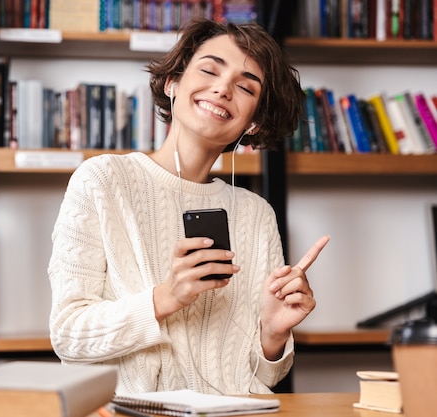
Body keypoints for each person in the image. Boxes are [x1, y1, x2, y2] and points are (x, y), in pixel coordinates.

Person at [48, 19, 329, 395]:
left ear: (255, 122)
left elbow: (263, 378)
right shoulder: (102, 181)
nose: (223, 88)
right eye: (210, 69)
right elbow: (68, 335)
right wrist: (167, 297)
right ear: (173, 83)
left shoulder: (256, 214)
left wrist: (273, 334)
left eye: (245, 87)